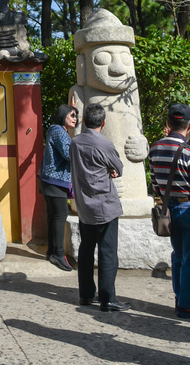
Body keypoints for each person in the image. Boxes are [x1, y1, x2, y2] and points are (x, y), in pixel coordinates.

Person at [69, 102, 130, 312]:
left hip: (85, 205)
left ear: (84, 120)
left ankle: (86, 295)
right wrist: (111, 170)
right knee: (107, 252)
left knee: (86, 250)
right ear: (103, 123)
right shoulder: (105, 144)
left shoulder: (75, 142)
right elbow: (119, 167)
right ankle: (108, 298)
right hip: (105, 204)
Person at [149, 103, 190, 321]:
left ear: (168, 123)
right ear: (188, 126)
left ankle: (179, 297)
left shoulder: (154, 148)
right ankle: (186, 305)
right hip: (187, 206)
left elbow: (155, 183)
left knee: (178, 254)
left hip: (168, 209)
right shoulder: (188, 151)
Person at [39, 104, 76, 271]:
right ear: (63, 116)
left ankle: (52, 252)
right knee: (61, 216)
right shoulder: (59, 131)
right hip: (55, 180)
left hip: (51, 180)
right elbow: (69, 154)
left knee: (54, 216)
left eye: (75, 116)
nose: (75, 119)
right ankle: (59, 255)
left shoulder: (56, 130)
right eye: (72, 115)